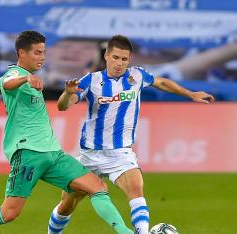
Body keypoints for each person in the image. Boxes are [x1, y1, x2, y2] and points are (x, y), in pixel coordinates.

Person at [0, 30, 133, 234]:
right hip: (28, 153)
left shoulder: (29, 76)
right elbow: (7, 83)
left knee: (97, 187)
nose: (42, 57)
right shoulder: (15, 74)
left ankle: (126, 232)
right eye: (37, 52)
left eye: (43, 52)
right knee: (9, 213)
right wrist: (24, 80)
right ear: (21, 53)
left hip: (53, 153)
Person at [47, 35, 214, 234]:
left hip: (120, 154)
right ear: (107, 56)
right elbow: (63, 106)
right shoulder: (92, 80)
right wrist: (67, 93)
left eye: (124, 59)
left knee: (136, 189)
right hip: (89, 155)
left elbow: (161, 83)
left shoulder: (136, 76)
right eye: (116, 58)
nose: (120, 63)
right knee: (67, 204)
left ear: (129, 60)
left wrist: (191, 94)